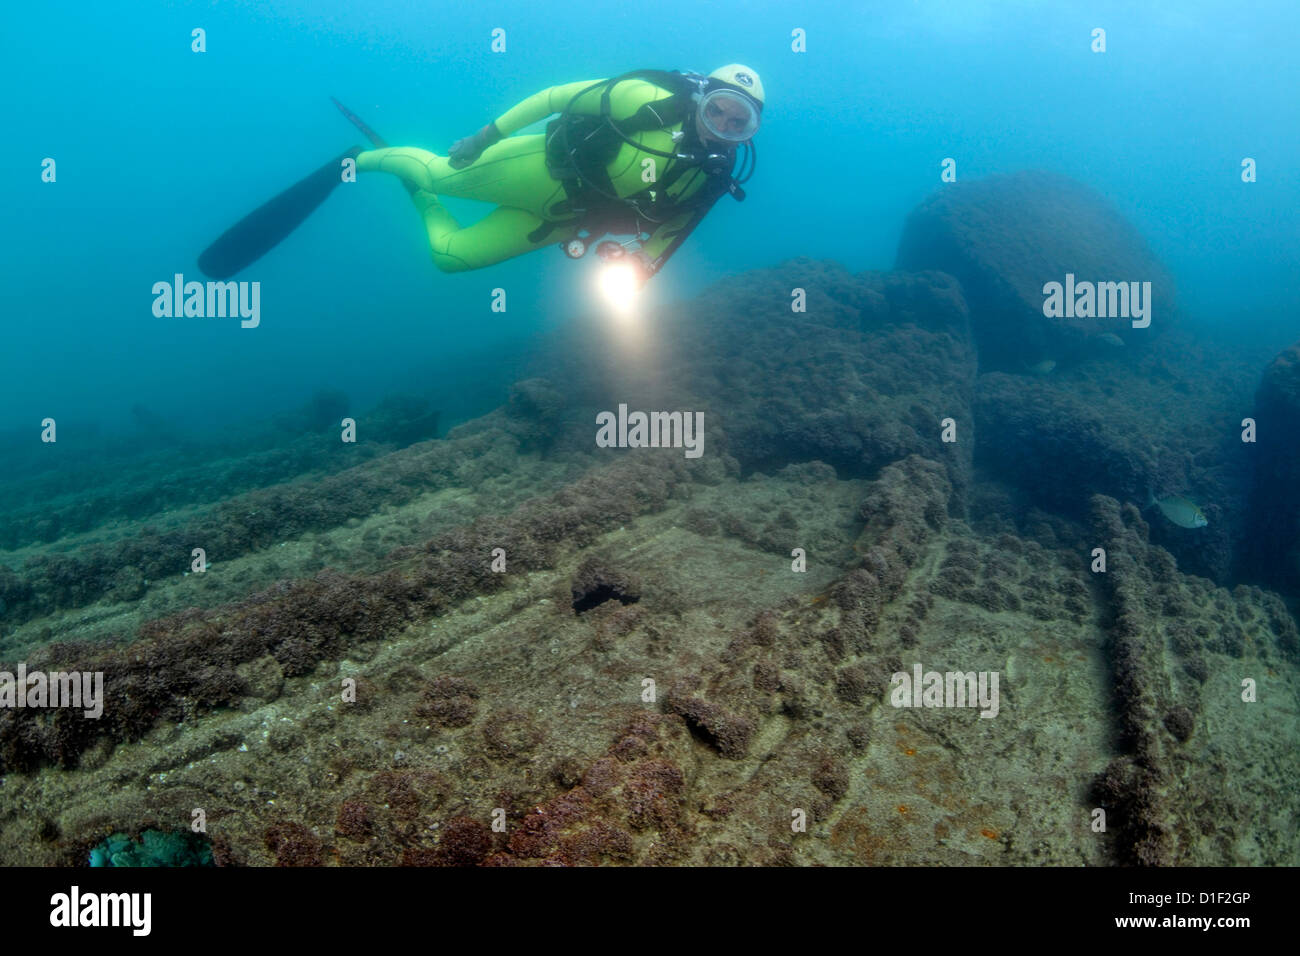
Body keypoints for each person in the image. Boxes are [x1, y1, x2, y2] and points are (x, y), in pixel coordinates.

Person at [198, 66, 763, 286]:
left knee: (450, 258)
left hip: (564, 223)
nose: (723, 126)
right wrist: (485, 137)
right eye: (717, 108)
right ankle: (360, 159)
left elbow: (674, 231)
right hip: (536, 170)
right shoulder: (648, 100)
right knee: (444, 176)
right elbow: (554, 94)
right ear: (701, 97)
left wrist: (639, 268)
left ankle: (410, 185)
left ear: (751, 130)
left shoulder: (717, 174)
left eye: (740, 123)